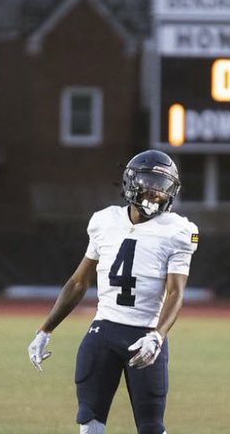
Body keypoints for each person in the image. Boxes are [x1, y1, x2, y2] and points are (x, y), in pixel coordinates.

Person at [27, 150, 198, 434]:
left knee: (152, 428)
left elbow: (175, 294)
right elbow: (78, 282)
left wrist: (157, 336)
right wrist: (45, 330)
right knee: (89, 421)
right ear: (131, 182)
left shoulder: (179, 231)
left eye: (163, 186)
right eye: (150, 182)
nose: (156, 192)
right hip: (103, 333)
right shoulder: (104, 221)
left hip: (145, 335)